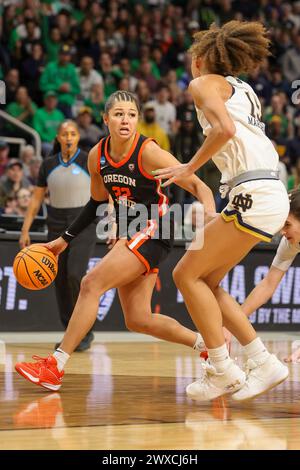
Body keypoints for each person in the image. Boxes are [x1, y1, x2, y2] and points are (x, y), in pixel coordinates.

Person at [15, 90, 216, 391]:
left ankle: (55, 366)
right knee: (138, 319)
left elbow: (199, 186)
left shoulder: (149, 153)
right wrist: (63, 240)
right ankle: (211, 347)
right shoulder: (97, 156)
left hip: (157, 227)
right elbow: (96, 204)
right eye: (119, 114)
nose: (126, 120)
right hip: (132, 229)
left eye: (132, 114)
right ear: (106, 119)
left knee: (90, 283)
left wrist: (210, 217)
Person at [153, 21, 290, 401]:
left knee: (185, 273)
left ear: (199, 60)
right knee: (207, 282)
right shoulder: (244, 90)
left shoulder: (201, 84)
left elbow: (225, 130)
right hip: (267, 191)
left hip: (256, 192)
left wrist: (187, 168)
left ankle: (222, 369)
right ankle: (262, 361)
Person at [19, 120, 96, 352]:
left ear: (78, 136)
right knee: (60, 280)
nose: (69, 138)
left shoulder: (87, 160)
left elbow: (105, 191)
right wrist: (25, 229)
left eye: (73, 133)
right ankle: (70, 333)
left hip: (83, 223)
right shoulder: (48, 164)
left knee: (74, 275)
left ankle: (85, 331)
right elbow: (36, 199)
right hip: (55, 224)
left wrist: (112, 220)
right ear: (58, 138)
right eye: (65, 134)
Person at [241, 189, 300, 363]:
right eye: (281, 224)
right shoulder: (289, 243)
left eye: (287, 224)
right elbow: (268, 284)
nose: (282, 231)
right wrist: (232, 324)